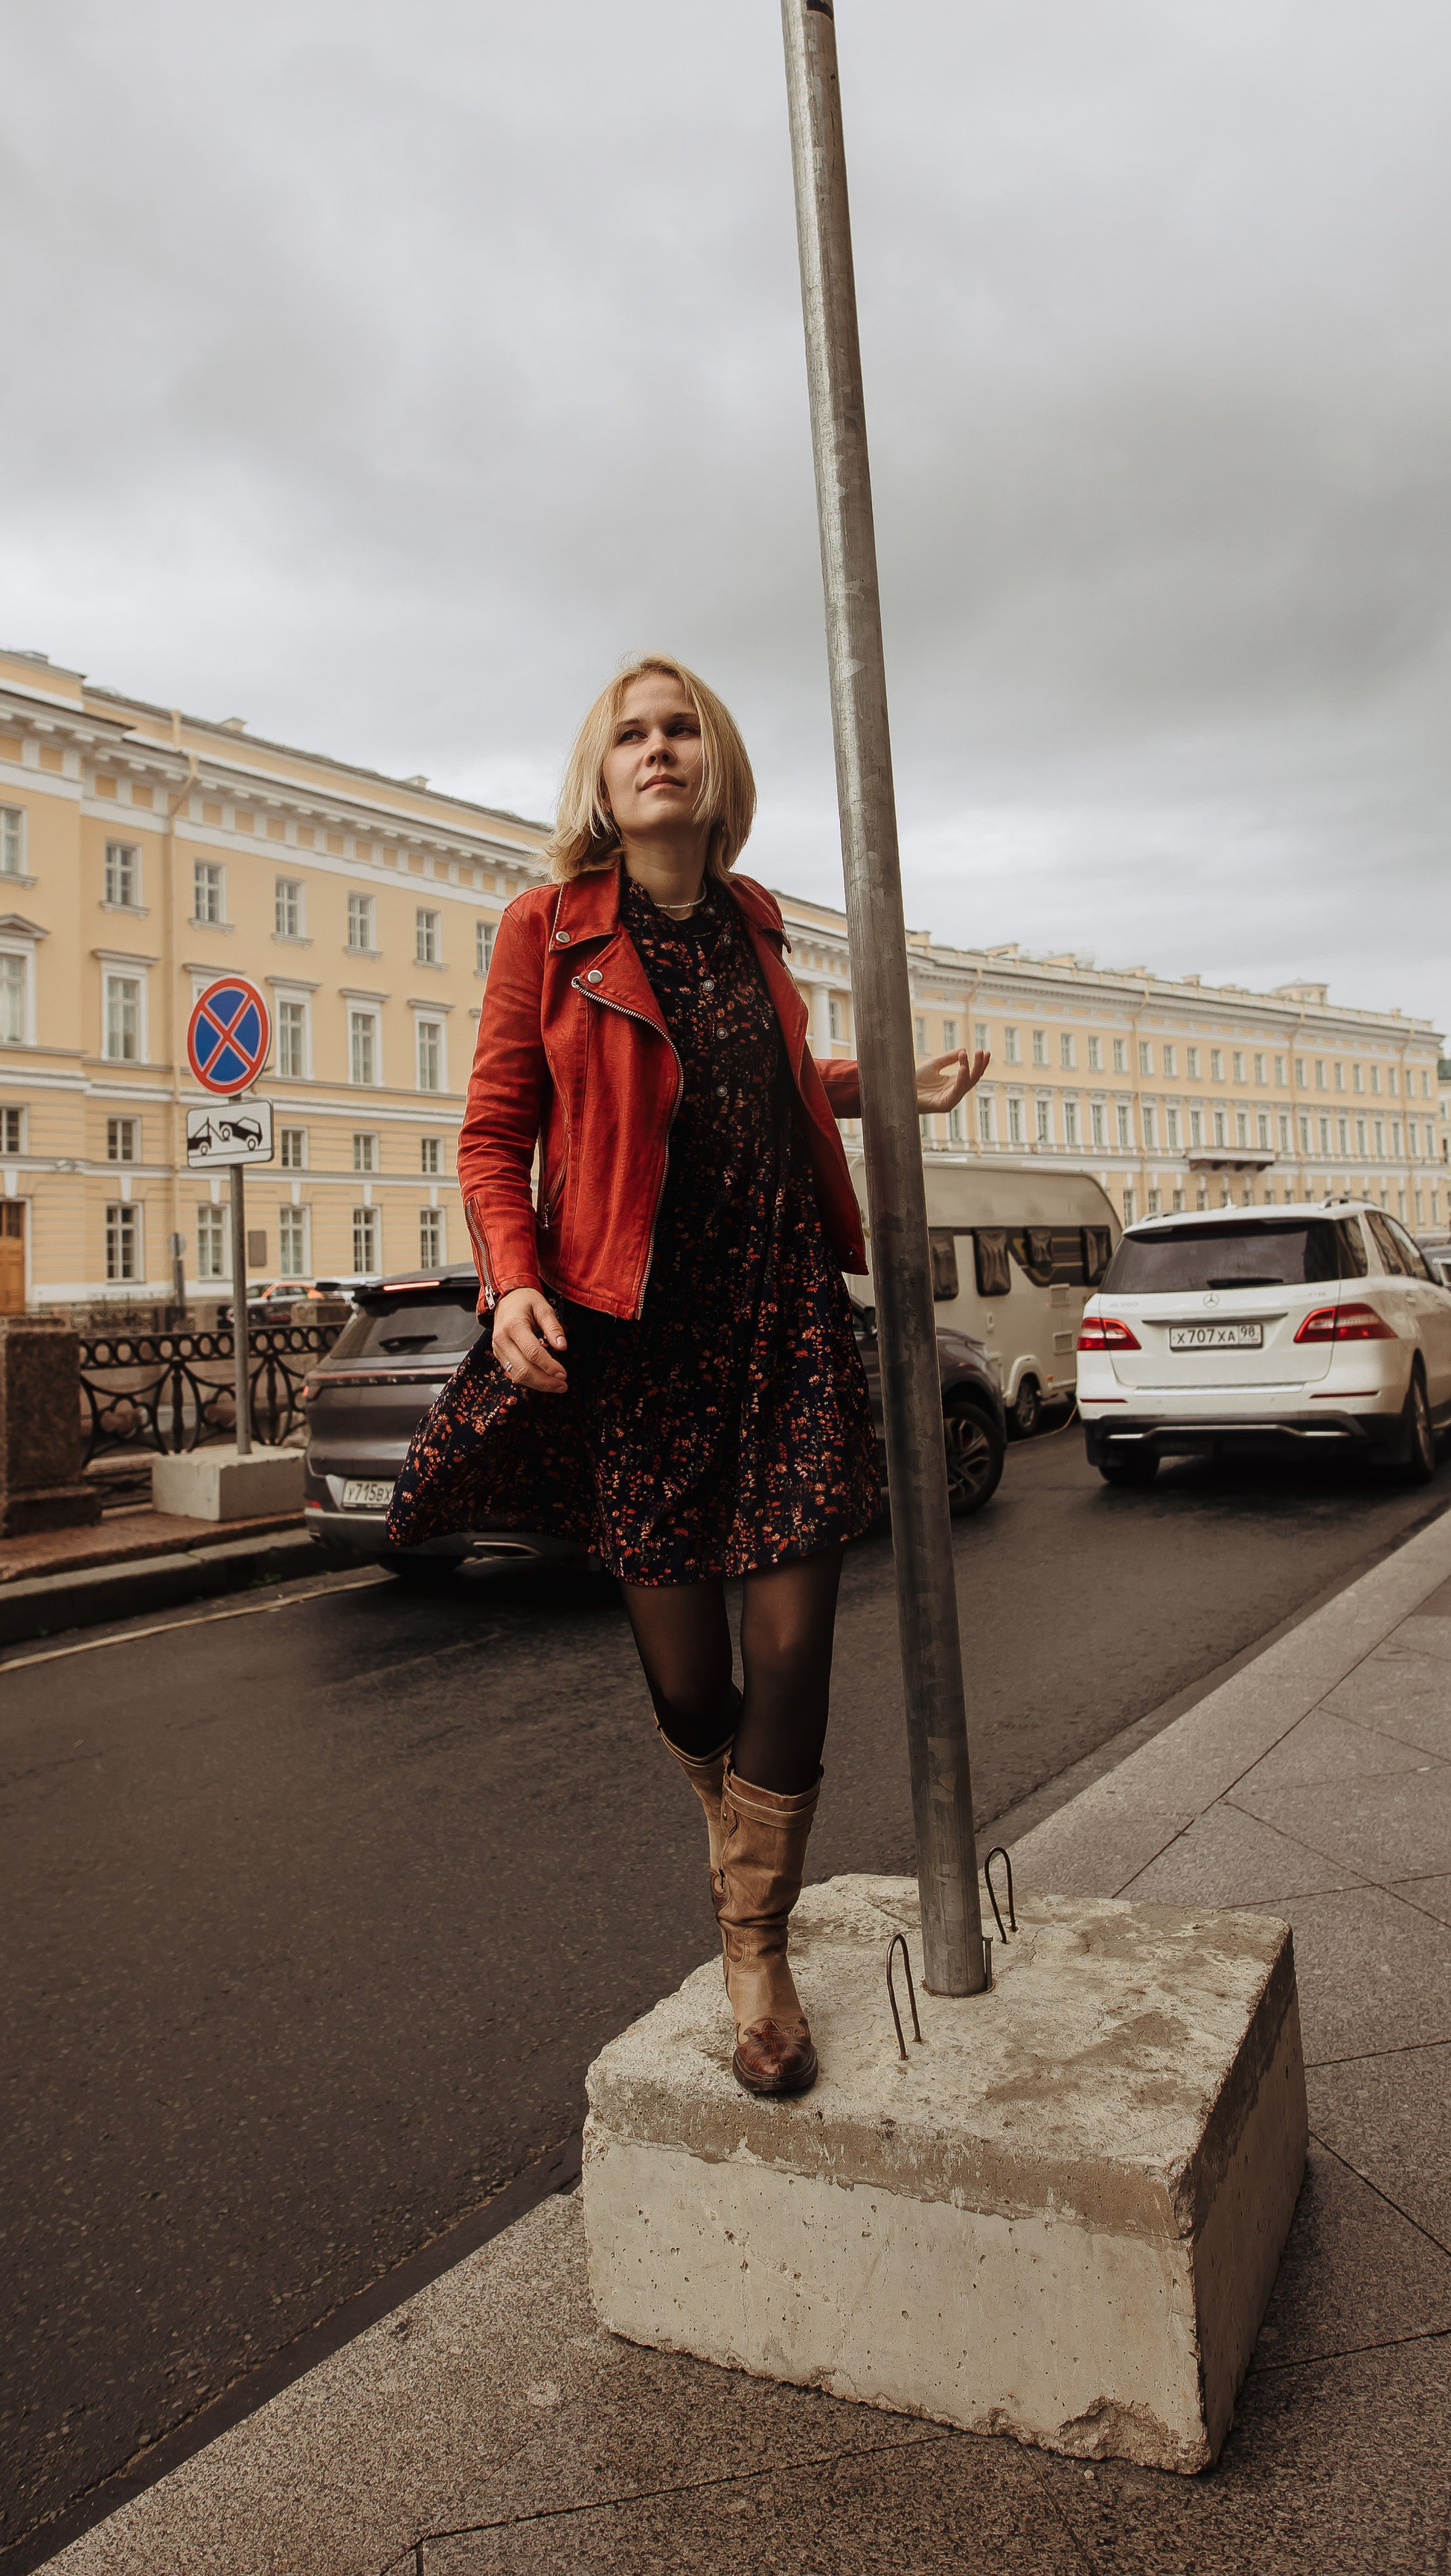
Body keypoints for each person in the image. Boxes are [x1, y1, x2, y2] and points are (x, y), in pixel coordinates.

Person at [388, 654, 984, 2097]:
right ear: (598, 779)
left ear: (712, 764)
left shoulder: (755, 922)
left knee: (794, 1651)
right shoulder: (549, 928)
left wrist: (866, 1083)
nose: (657, 750)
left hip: (778, 1321)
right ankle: (740, 1841)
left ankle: (751, 1940)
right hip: (637, 1334)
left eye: (680, 730)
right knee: (690, 1681)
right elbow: (492, 1130)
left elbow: (751, 1069)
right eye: (629, 734)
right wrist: (513, 1273)